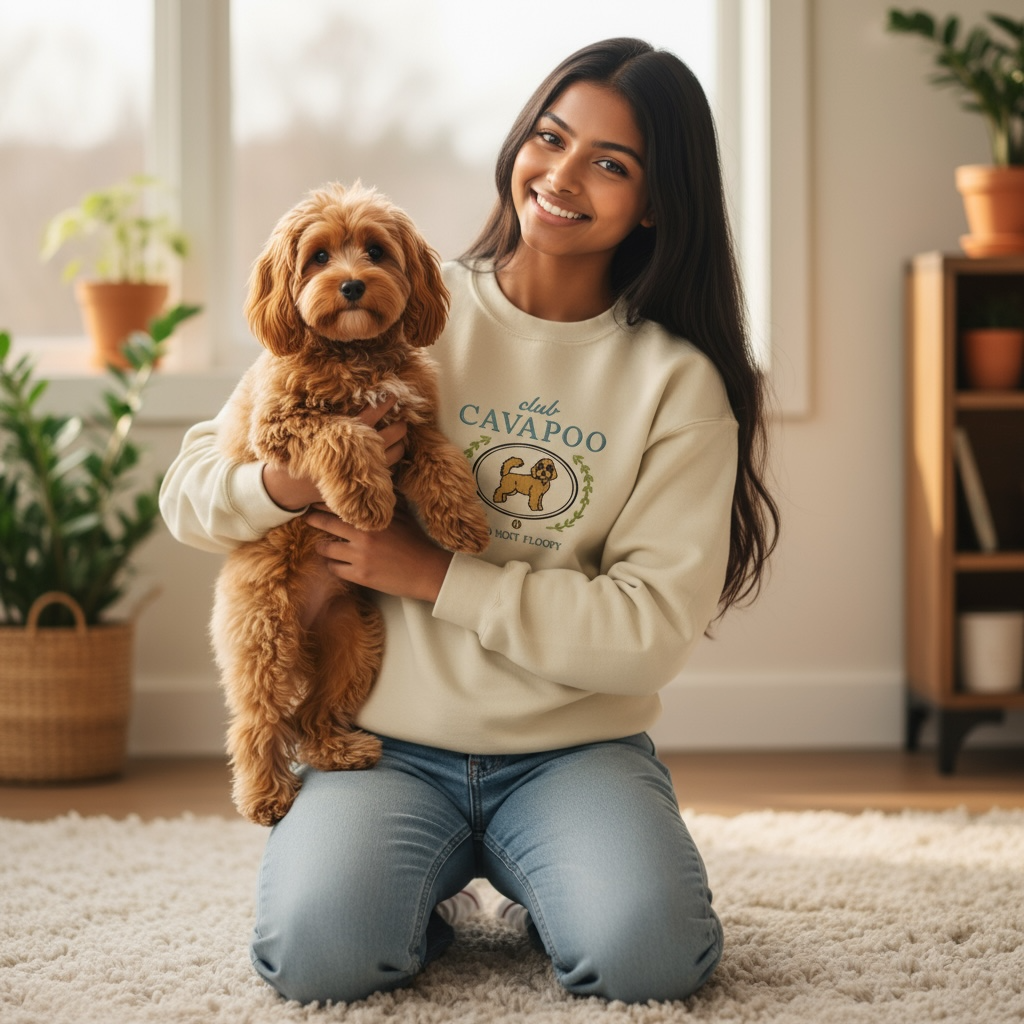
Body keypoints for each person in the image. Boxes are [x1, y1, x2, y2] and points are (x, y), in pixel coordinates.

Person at [159, 37, 779, 1006]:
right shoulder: (393, 303)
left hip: (572, 749)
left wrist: (430, 572)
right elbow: (190, 492)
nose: (562, 176)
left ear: (655, 201)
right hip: (387, 744)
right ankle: (416, 891)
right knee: (320, 955)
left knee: (647, 956)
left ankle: (556, 875)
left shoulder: (674, 382)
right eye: (550, 137)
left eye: (609, 163)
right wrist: (288, 484)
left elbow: (649, 633)